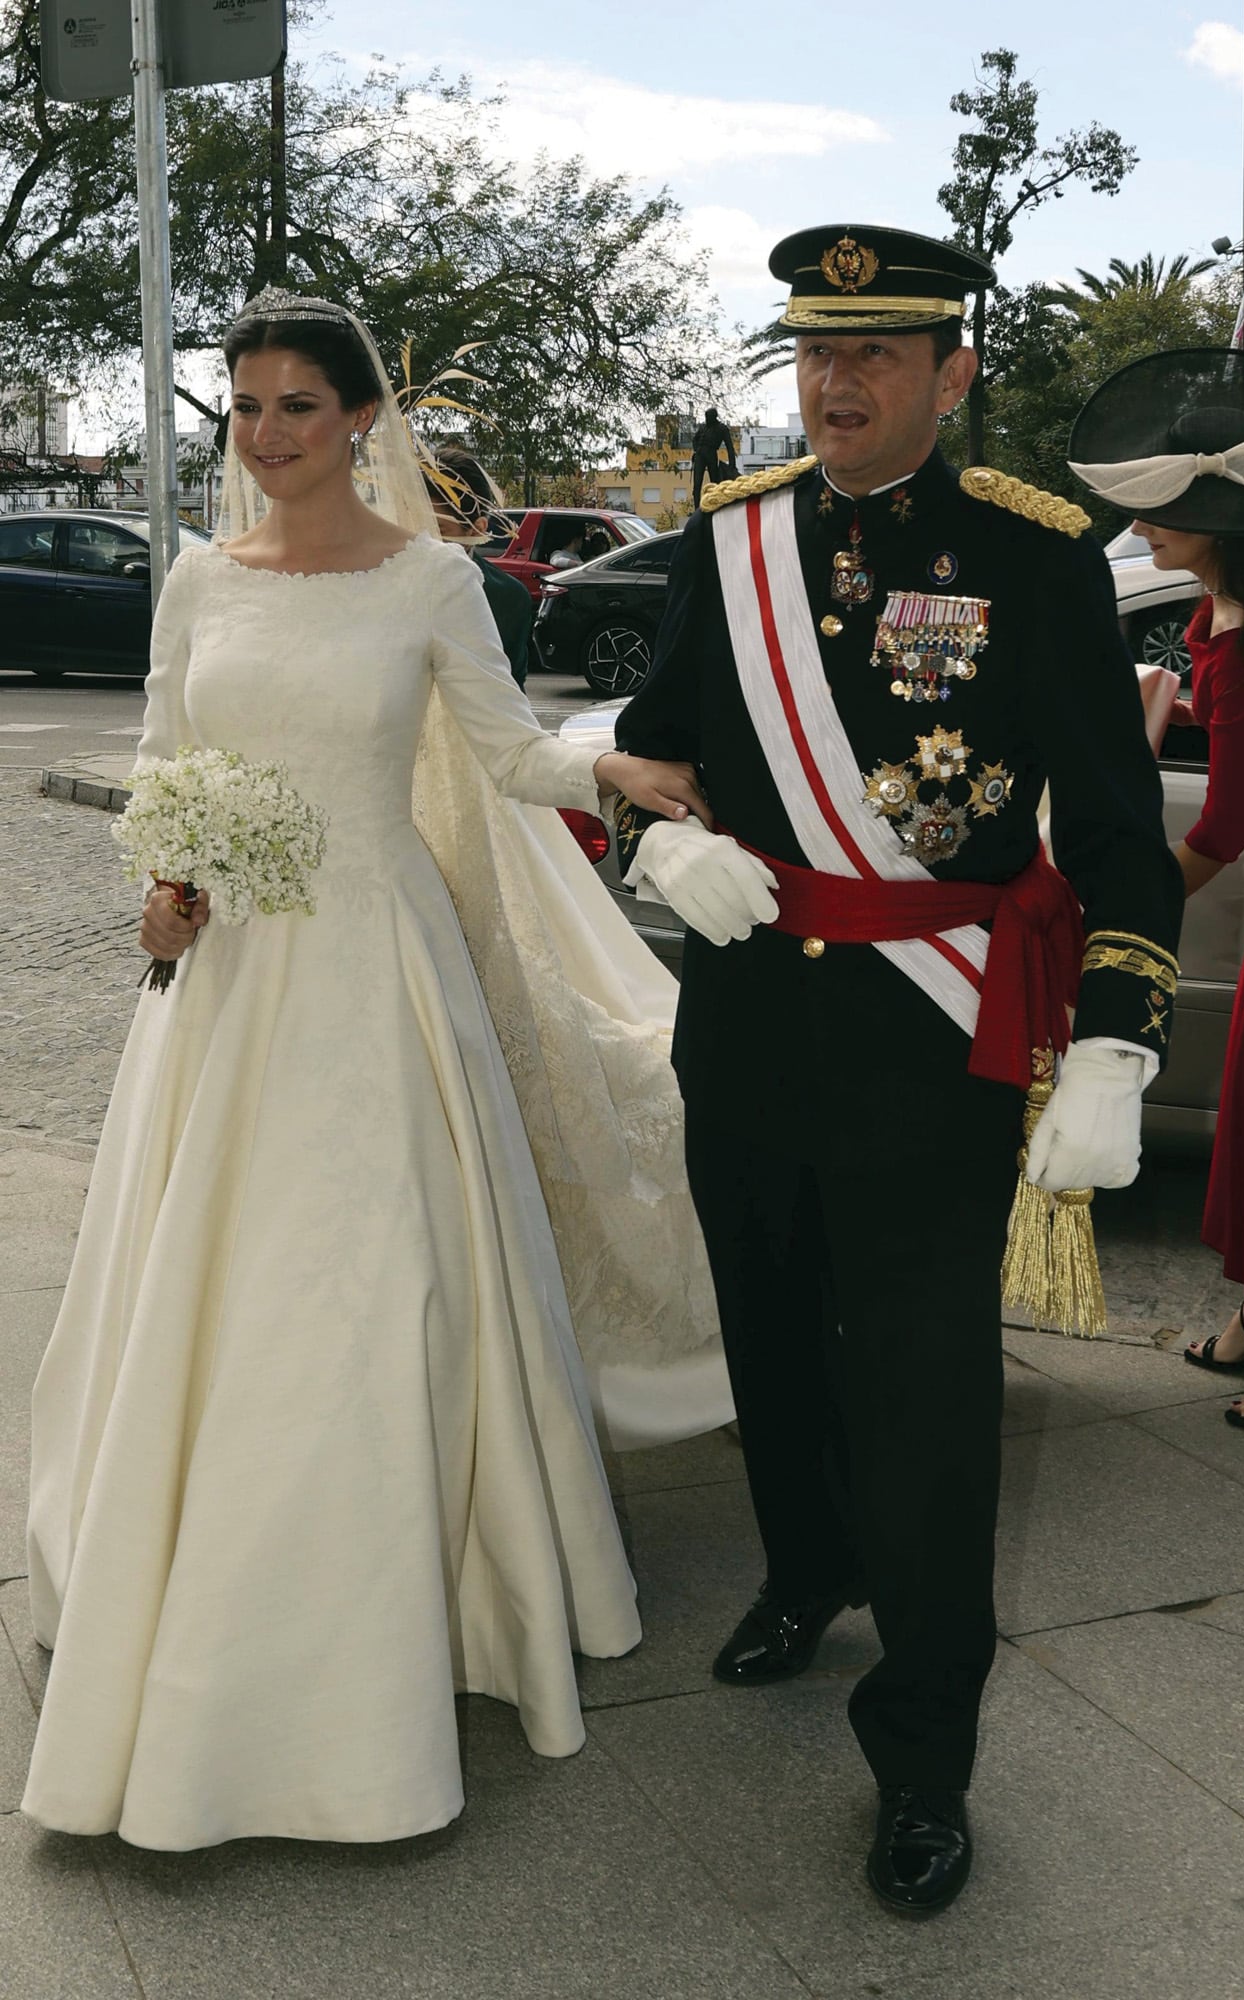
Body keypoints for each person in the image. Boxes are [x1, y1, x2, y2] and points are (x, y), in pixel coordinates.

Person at [21, 289, 723, 1851]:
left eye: (296, 409)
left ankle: (398, 1625)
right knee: (211, 1282)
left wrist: (613, 767)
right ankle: (188, 1587)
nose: (267, 438)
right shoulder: (198, 579)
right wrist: (160, 880)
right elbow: (161, 753)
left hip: (376, 975)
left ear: (359, 421)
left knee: (374, 1281)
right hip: (225, 979)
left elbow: (509, 753)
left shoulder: (432, 580)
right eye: (247, 411)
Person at [610, 226, 1184, 1916]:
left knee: (926, 1397)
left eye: (876, 354)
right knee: (771, 1330)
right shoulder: (733, 543)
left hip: (933, 1034)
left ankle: (922, 1750)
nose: (836, 382)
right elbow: (648, 760)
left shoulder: (1033, 550)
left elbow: (1111, 829)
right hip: (747, 1016)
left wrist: (1113, 1035)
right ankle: (803, 1568)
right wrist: (654, 856)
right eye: (814, 351)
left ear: (951, 373)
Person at [1070, 347, 1244, 1437]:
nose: (1142, 531)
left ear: (1216, 525)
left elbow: (1220, 831)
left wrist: (1121, 913)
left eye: (1162, 513)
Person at [422, 444, 531, 686]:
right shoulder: (386, 581)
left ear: (477, 529)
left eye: (439, 530)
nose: (423, 539)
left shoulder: (508, 598)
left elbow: (511, 689)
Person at [691, 406, 737, 510]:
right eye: (705, 417)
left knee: (715, 483)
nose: (706, 419)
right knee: (697, 485)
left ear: (714, 417)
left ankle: (715, 505)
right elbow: (695, 439)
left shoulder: (722, 428)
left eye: (708, 417)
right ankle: (696, 509)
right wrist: (696, 450)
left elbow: (730, 447)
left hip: (711, 454)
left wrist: (732, 465)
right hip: (700, 456)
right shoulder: (703, 427)